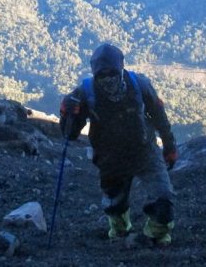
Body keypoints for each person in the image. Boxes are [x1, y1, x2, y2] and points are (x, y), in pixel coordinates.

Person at [59, 43, 178, 246]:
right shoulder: (84, 93)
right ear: (94, 73)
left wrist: (169, 146)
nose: (107, 78)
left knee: (164, 197)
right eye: (102, 74)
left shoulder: (140, 85)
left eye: (112, 72)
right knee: (115, 205)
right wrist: (67, 113)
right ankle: (121, 234)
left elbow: (159, 116)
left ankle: (156, 237)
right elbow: (70, 134)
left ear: (121, 68)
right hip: (110, 157)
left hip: (145, 151)